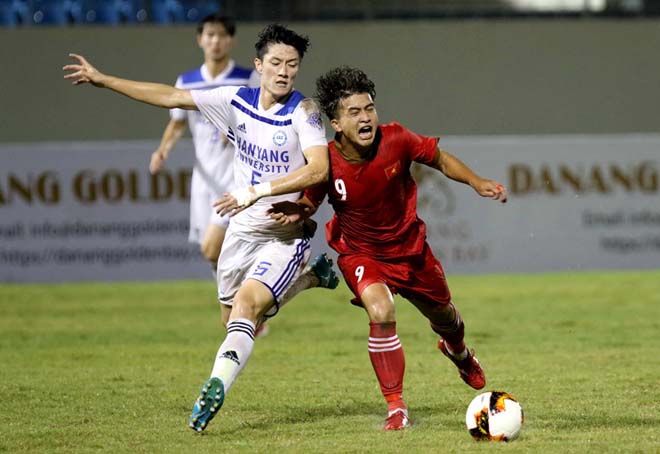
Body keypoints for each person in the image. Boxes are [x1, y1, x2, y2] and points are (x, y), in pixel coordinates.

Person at [63, 24, 338, 433]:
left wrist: (256, 190)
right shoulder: (233, 99)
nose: (284, 72)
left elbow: (319, 167)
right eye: (276, 63)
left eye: (292, 65)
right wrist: (105, 80)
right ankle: (312, 277)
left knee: (247, 308)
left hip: (284, 233)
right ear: (259, 65)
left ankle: (212, 392)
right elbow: (169, 97)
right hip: (240, 229)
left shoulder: (306, 111)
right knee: (234, 320)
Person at [268, 66, 508, 431]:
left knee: (444, 315)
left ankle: (459, 352)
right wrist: (297, 210)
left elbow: (440, 159)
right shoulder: (326, 161)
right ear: (335, 123)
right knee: (381, 311)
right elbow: (310, 201)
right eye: (354, 112)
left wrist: (476, 182)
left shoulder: (396, 138)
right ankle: (396, 407)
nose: (366, 118)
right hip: (360, 253)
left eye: (369, 109)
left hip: (410, 250)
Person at [148, 14, 272, 336]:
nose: (215, 41)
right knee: (214, 254)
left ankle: (244, 307)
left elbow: (262, 119)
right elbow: (177, 122)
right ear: (200, 39)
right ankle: (247, 310)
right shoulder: (186, 81)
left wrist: (235, 129)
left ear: (231, 40)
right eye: (209, 35)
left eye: (221, 35)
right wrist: (162, 151)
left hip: (237, 177)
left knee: (211, 248)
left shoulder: (247, 79)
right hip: (204, 179)